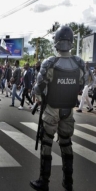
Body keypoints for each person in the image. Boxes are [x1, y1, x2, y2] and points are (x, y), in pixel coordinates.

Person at [30, 26, 85, 191]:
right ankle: (68, 183)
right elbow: (83, 84)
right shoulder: (79, 63)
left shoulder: (50, 63)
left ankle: (44, 181)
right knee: (66, 144)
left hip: (52, 109)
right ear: (71, 42)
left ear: (56, 43)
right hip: (68, 111)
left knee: (46, 142)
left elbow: (38, 87)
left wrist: (38, 97)